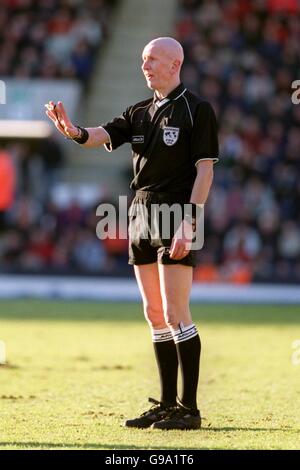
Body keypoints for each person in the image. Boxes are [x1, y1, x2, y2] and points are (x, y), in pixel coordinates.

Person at [45, 37, 219, 430]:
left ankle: (189, 410)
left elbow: (205, 171)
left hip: (176, 213)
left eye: (153, 59)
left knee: (176, 313)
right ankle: (167, 403)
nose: (145, 66)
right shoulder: (139, 111)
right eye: (143, 59)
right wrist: (71, 130)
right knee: (154, 313)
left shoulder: (197, 110)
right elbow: (100, 135)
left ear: (175, 64)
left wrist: (190, 221)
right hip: (140, 212)